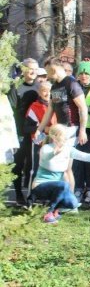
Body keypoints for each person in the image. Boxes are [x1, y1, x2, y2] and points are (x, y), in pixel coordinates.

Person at [27, 124, 90, 223]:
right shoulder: (46, 148)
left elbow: (85, 156)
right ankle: (48, 213)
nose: (66, 138)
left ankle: (56, 211)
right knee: (63, 185)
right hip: (40, 187)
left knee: (73, 203)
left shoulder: (68, 149)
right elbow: (46, 157)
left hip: (58, 188)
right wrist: (54, 153)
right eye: (63, 135)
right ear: (54, 137)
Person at [35, 57, 89, 192]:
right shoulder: (54, 86)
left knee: (65, 167)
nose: (47, 76)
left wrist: (82, 130)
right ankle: (66, 198)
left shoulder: (72, 84)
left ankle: (69, 199)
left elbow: (83, 108)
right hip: (60, 130)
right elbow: (49, 111)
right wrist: (39, 130)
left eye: (48, 72)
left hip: (71, 128)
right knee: (64, 167)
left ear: (53, 69)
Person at [10, 58, 40, 204]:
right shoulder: (16, 87)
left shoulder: (40, 87)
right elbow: (11, 111)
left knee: (32, 165)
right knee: (18, 164)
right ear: (23, 70)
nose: (33, 71)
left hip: (35, 132)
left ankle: (31, 195)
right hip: (19, 132)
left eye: (35, 68)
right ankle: (18, 195)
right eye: (30, 68)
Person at [22, 82, 55, 202]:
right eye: (44, 90)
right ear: (39, 92)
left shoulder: (58, 105)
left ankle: (49, 196)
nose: (47, 93)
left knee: (51, 170)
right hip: (39, 143)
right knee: (36, 170)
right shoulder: (34, 107)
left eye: (49, 90)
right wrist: (44, 129)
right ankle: (32, 197)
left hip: (55, 143)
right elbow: (26, 128)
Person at [73, 61, 90, 203]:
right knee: (77, 160)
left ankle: (89, 188)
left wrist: (86, 108)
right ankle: (78, 188)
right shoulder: (74, 87)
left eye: (86, 73)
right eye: (81, 73)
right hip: (76, 127)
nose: (84, 76)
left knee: (88, 159)